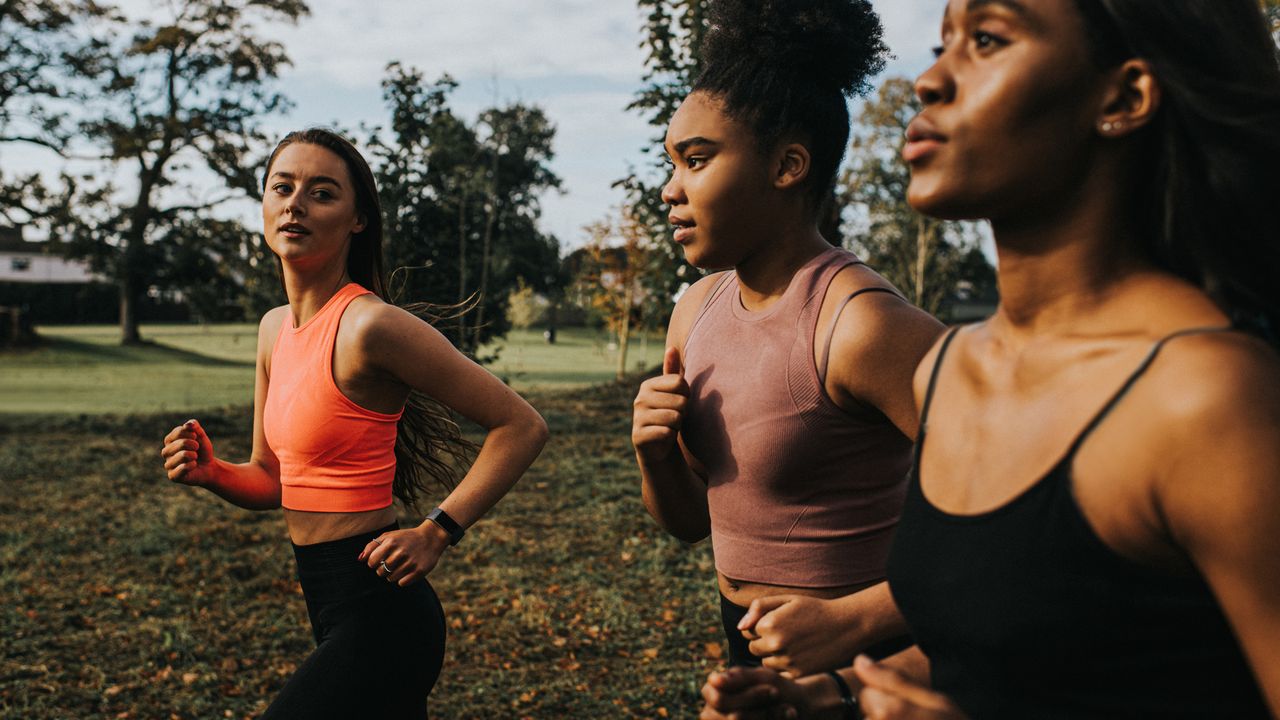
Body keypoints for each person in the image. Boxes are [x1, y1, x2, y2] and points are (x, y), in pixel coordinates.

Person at [699, 0, 1280, 717]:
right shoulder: (954, 367)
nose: (930, 80)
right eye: (943, 41)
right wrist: (833, 694)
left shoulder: (1206, 397)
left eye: (987, 39)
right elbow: (991, 643)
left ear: (1124, 97)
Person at [158, 128, 549, 719]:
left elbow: (520, 425)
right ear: (263, 205)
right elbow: (272, 480)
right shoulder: (273, 331)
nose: (295, 204)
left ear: (357, 219)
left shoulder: (370, 326)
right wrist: (215, 474)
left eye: (321, 193)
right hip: (326, 601)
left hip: (384, 615)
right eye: (281, 187)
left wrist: (437, 531)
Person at [632, 0, 944, 674]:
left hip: (868, 654)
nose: (670, 189)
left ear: (788, 165)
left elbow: (1027, 517)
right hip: (747, 640)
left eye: (696, 160)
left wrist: (856, 619)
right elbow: (690, 523)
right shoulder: (696, 310)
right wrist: (655, 454)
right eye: (673, 162)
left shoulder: (860, 324)